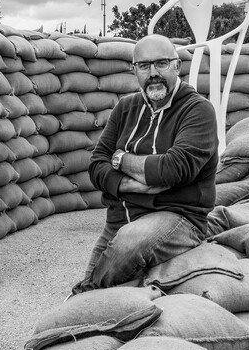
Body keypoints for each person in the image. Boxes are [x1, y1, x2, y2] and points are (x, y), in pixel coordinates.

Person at [71, 33, 218, 292]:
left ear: (177, 66)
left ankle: (83, 294)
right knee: (110, 274)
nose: (153, 73)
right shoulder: (125, 108)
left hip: (177, 218)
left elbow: (172, 169)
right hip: (120, 218)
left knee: (122, 249)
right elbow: (96, 165)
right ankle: (87, 300)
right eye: (144, 65)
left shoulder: (198, 110)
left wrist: (120, 158)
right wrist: (132, 183)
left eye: (161, 63)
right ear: (134, 70)